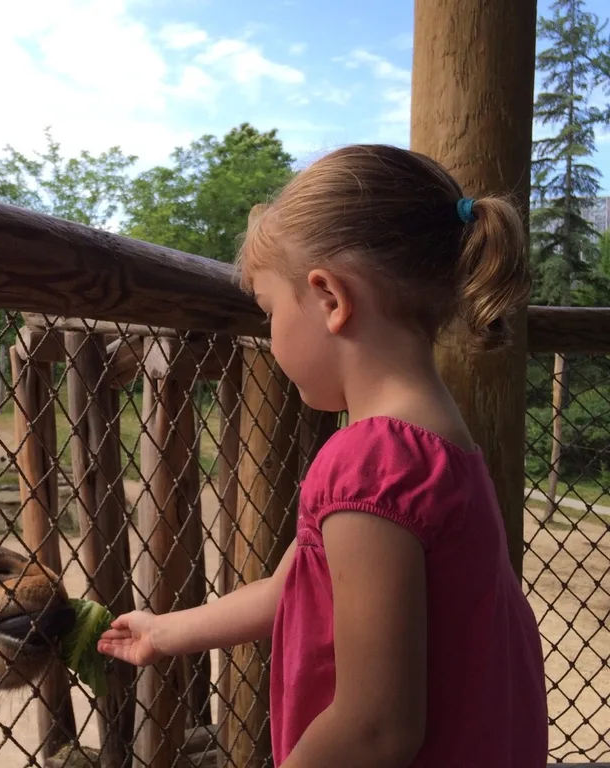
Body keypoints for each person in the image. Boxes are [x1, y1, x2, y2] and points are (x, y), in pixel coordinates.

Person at [96, 144, 548, 767]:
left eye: (271, 313)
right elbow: (293, 586)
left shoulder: (370, 463)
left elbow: (375, 729)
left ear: (330, 298)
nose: (272, 337)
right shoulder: (443, 441)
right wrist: (165, 632)